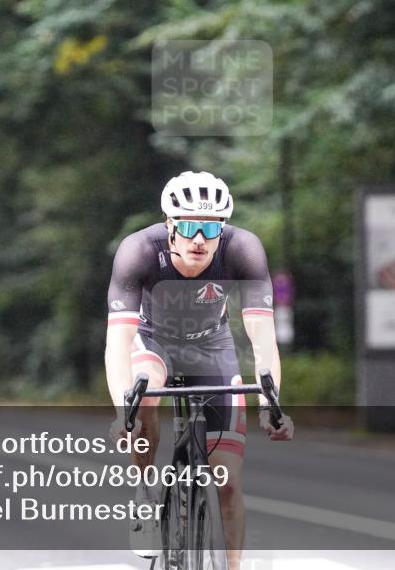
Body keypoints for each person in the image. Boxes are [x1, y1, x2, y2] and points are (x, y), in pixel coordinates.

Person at [105, 171, 294, 570]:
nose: (199, 239)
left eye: (210, 228)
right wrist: (123, 413)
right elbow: (118, 344)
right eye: (189, 226)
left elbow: (263, 339)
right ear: (170, 225)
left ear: (222, 228)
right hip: (152, 340)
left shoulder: (243, 249)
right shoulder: (138, 251)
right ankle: (145, 490)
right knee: (144, 389)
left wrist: (271, 405)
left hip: (211, 346)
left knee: (227, 482)